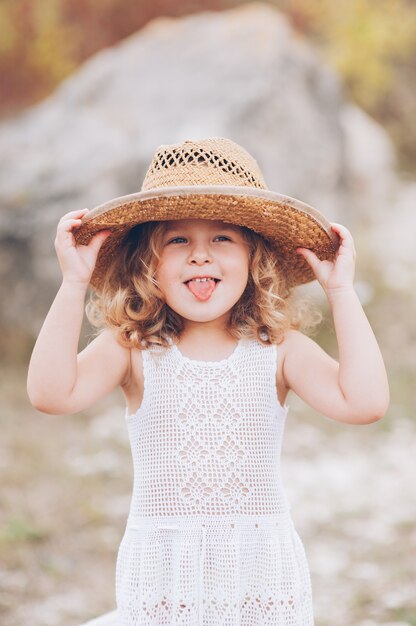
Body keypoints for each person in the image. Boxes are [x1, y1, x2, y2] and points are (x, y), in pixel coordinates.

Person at [27, 137, 389, 626]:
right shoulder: (133, 349)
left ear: (254, 259)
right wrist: (73, 284)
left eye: (222, 238)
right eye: (177, 240)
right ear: (147, 265)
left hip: (259, 578)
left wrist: (341, 291)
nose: (200, 256)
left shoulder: (277, 350)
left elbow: (364, 402)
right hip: (163, 578)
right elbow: (50, 394)